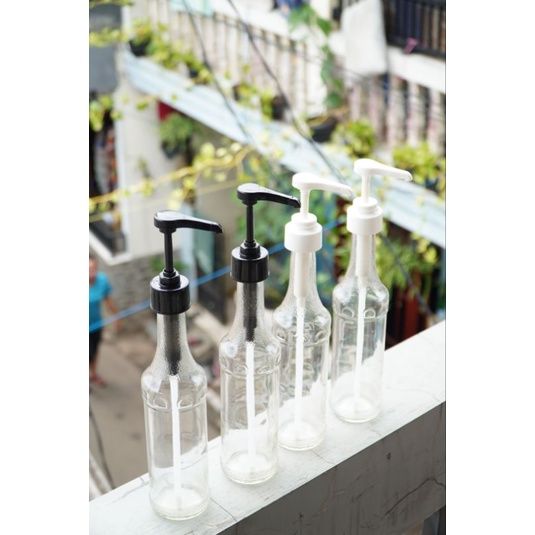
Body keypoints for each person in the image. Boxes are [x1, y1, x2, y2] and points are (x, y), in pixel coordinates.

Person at [89, 254, 120, 385]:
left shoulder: (102, 281)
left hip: (96, 324)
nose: (91, 272)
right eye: (88, 269)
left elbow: (108, 301)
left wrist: (117, 317)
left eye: (94, 268)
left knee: (95, 350)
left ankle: (93, 374)